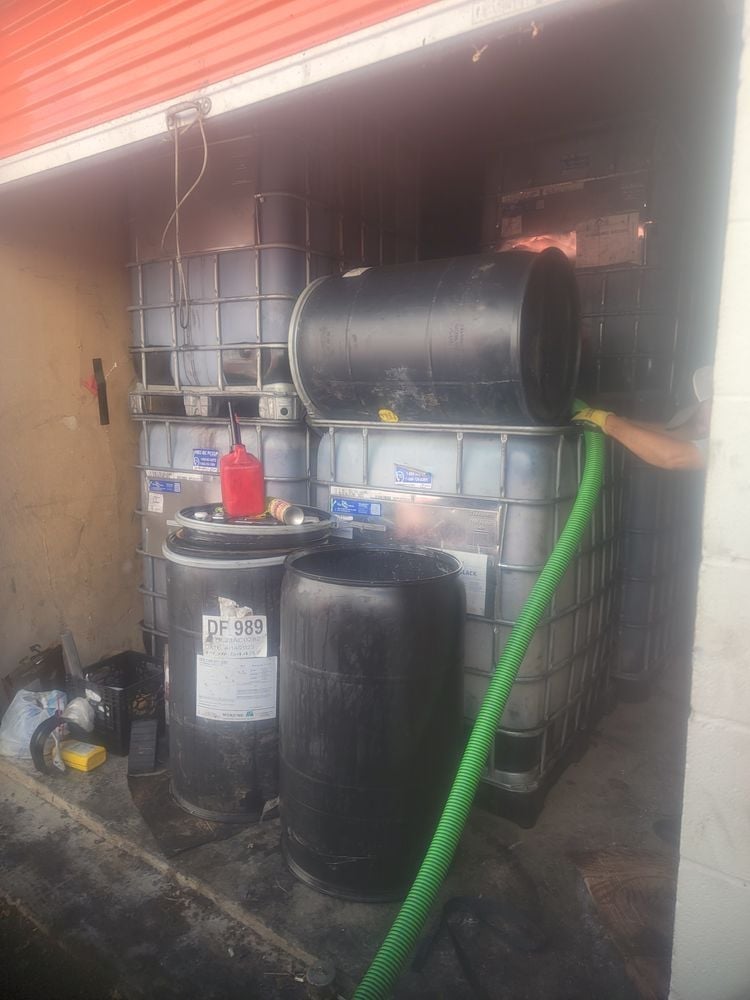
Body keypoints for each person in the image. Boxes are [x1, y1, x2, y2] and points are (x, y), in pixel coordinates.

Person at [572, 366, 713, 470]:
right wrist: (622, 422)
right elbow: (680, 434)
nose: (697, 418)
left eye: (701, 411)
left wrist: (607, 422)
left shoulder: (727, 445)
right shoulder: (709, 431)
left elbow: (671, 456)